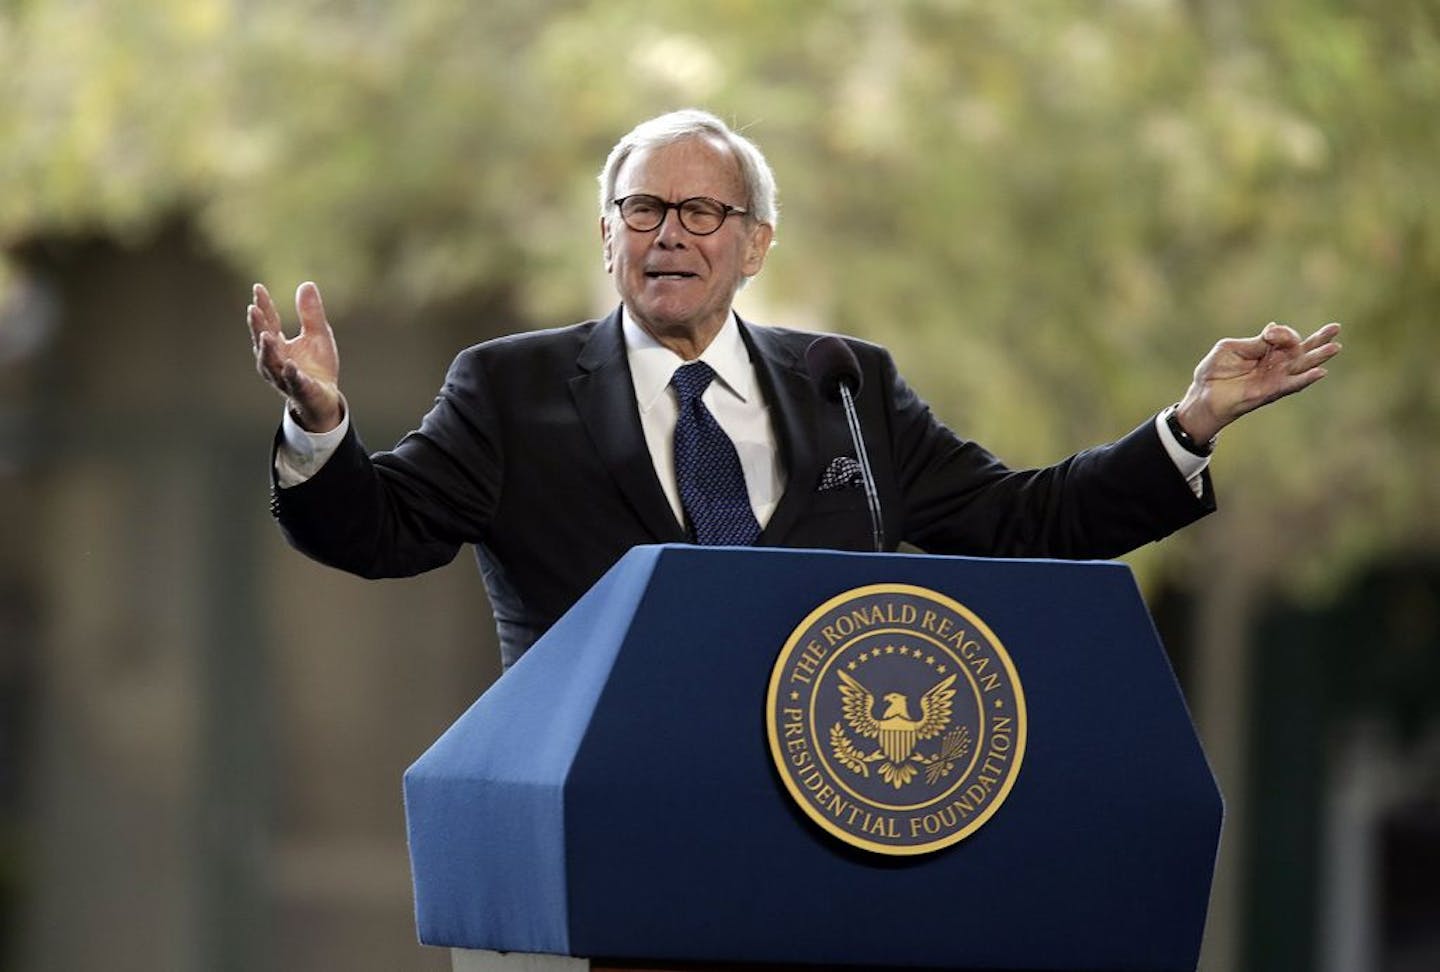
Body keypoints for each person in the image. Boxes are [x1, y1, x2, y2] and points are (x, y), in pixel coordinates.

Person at [247, 109, 1341, 669]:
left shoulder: (844, 387)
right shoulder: (511, 386)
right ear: (606, 232)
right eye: (642, 209)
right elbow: (378, 533)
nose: (669, 231)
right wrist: (321, 423)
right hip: (601, 814)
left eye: (702, 212)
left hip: (824, 812)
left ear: (756, 243)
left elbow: (1023, 521)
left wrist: (1190, 425)